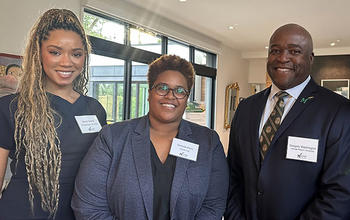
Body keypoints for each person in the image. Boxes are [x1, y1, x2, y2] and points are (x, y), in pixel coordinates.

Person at [72, 54, 229, 220]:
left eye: (180, 91)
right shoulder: (112, 137)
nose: (170, 96)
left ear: (186, 98)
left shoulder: (208, 142)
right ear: (149, 93)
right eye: (162, 88)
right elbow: (88, 207)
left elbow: (213, 206)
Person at [225, 23, 350, 220]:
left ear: (310, 58)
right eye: (275, 50)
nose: (283, 58)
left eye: (295, 51)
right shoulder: (246, 108)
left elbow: (341, 192)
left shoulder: (339, 111)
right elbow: (232, 175)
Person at [0, 9, 107, 219]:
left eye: (76, 54)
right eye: (55, 52)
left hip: (79, 213)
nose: (67, 62)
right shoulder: (11, 107)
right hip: (21, 212)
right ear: (38, 53)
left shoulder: (95, 110)